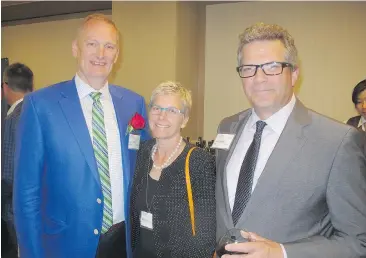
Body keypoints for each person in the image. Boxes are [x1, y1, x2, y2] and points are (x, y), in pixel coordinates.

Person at [215, 22, 366, 258]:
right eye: (248, 68)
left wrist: (282, 252)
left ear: (294, 73)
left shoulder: (339, 142)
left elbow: (359, 242)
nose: (259, 78)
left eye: (273, 67)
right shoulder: (227, 126)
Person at [13, 14, 150, 258]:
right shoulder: (41, 105)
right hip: (65, 245)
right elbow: (27, 193)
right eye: (92, 44)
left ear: (116, 55)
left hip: (123, 243)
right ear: (76, 48)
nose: (101, 53)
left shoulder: (133, 104)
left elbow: (144, 173)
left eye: (109, 46)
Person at [130, 81, 216, 258]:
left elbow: (206, 235)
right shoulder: (142, 153)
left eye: (171, 111)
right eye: (157, 108)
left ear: (184, 120)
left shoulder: (198, 161)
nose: (162, 117)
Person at [1, 62, 33, 258]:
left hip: (17, 208)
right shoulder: (43, 112)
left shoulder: (12, 120)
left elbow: (7, 174)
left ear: (5, 87)